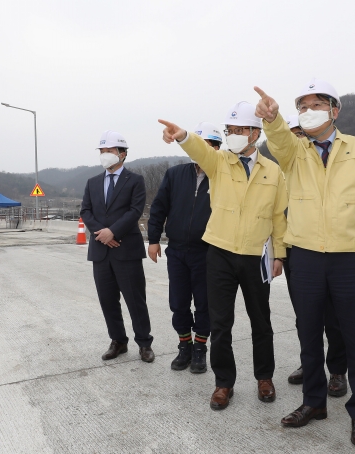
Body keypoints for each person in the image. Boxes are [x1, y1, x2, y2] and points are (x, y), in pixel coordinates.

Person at [255, 78, 355, 449]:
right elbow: (278, 140)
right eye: (302, 107)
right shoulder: (296, 151)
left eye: (315, 105)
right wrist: (273, 119)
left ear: (334, 110)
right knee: (308, 333)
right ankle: (313, 403)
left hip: (349, 258)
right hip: (307, 257)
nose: (308, 112)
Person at [158, 101, 288, 411]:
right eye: (229, 130)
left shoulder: (273, 171)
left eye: (239, 130)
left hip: (257, 256)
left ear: (255, 134)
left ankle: (264, 377)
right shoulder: (219, 162)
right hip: (219, 254)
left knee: (261, 320)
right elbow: (200, 151)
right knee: (220, 323)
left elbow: (279, 217)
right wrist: (183, 136)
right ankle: (223, 383)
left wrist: (279, 254)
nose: (232, 136)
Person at [147, 122, 221, 374]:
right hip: (177, 250)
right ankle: (184, 345)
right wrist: (154, 239)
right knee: (178, 303)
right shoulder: (175, 175)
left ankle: (200, 348)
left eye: (208, 145)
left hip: (207, 252)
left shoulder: (222, 176)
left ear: (216, 148)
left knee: (204, 304)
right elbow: (159, 208)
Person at [283, 115, 348, 397]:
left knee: (333, 316)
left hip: (328, 251)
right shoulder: (281, 170)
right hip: (294, 251)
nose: (298, 138)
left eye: (301, 133)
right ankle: (310, 366)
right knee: (305, 316)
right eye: (292, 134)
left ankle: (337, 370)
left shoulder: (325, 165)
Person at [80, 130, 154, 363]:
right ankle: (118, 341)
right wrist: (102, 234)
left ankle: (144, 343)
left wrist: (113, 231)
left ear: (122, 154)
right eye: (102, 151)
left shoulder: (135, 180)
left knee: (135, 299)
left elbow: (135, 211)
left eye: (109, 151)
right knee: (107, 299)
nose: (105, 155)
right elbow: (86, 211)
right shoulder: (92, 182)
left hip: (126, 250)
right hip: (101, 252)